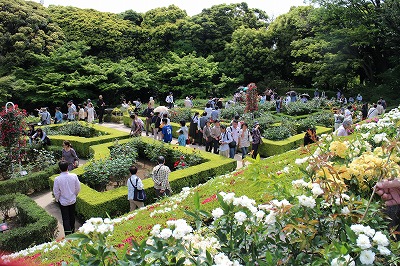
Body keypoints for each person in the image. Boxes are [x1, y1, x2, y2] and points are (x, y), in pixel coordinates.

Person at [53, 160, 81, 235]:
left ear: (59, 168)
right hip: (72, 200)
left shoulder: (57, 179)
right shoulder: (74, 176)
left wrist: (57, 199)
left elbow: (56, 191)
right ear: (68, 167)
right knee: (72, 217)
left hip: (63, 202)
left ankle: (68, 235)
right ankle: (73, 232)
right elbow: (78, 187)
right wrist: (75, 195)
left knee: (65, 219)